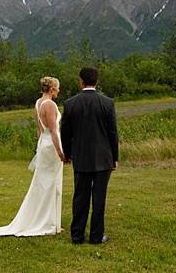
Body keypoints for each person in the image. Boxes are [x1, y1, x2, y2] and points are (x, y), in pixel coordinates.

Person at [0, 77, 65, 237]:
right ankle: (48, 222)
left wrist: (41, 146)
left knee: (43, 182)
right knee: (51, 183)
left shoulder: (37, 103)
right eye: (57, 89)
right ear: (51, 90)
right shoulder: (49, 104)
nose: (58, 91)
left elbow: (39, 130)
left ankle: (50, 221)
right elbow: (54, 131)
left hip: (44, 143)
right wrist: (61, 153)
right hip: (51, 146)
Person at [61, 67, 119, 244]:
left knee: (80, 197)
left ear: (81, 81)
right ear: (97, 81)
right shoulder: (107, 103)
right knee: (99, 199)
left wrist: (67, 154)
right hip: (103, 158)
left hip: (80, 157)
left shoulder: (70, 104)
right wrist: (115, 157)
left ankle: (77, 236)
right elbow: (112, 133)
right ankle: (96, 236)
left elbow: (65, 133)